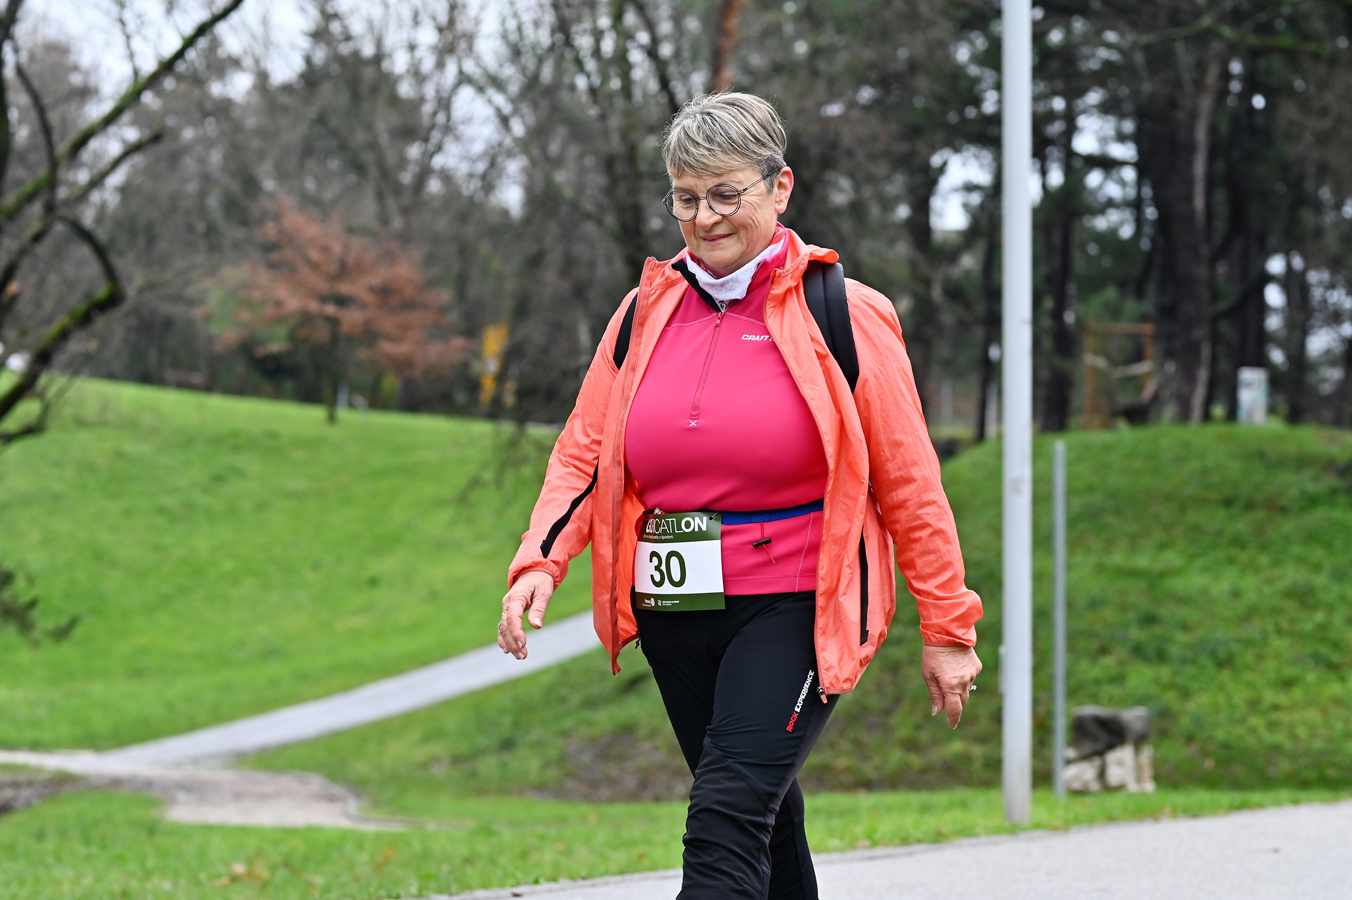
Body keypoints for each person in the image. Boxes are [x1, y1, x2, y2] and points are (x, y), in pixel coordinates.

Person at [499, 91, 983, 900]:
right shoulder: (643, 312)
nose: (705, 218)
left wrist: (949, 626)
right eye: (686, 198)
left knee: (724, 816)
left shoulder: (844, 313)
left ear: (779, 186)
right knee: (763, 817)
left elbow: (910, 481)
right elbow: (585, 453)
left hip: (795, 600)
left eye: (727, 194)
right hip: (674, 606)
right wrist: (539, 562)